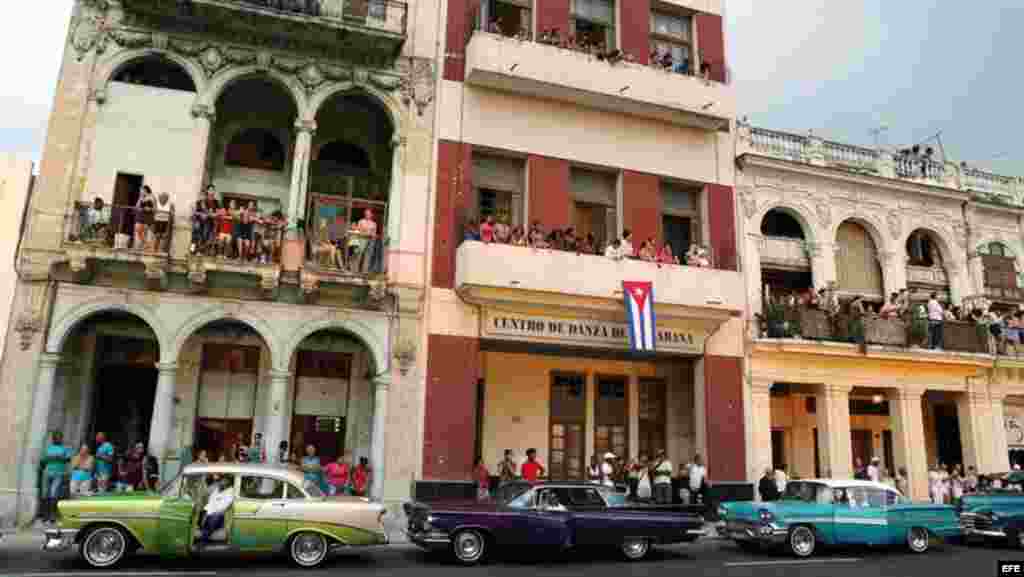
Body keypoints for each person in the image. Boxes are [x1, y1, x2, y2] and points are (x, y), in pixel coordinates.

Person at [41, 431, 72, 523]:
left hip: (59, 473)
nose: (58, 439)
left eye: (60, 437)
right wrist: (55, 457)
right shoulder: (48, 448)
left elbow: (68, 459)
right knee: (45, 493)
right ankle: (45, 515)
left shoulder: (65, 448)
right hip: (47, 472)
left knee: (54, 493)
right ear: (53, 438)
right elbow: (43, 460)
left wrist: (57, 458)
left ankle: (52, 515)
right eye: (56, 437)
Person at [199, 475, 234, 544]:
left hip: (221, 515)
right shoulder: (217, 490)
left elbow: (223, 507)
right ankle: (204, 532)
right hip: (211, 512)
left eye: (225, 481)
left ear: (229, 482)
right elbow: (210, 502)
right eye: (222, 481)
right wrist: (206, 512)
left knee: (214, 517)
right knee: (201, 513)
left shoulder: (230, 492)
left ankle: (203, 540)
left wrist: (210, 512)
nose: (222, 482)